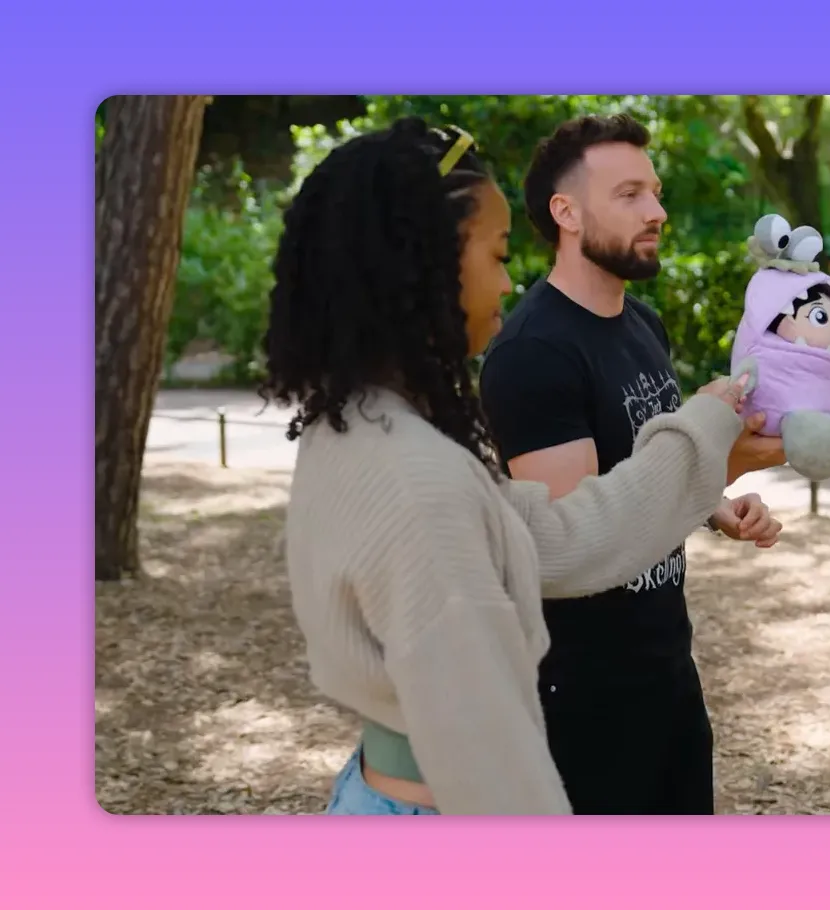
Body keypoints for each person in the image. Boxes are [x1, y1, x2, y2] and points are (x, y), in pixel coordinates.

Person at [262, 116, 755, 816]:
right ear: (428, 263)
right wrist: (709, 434)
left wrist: (709, 436)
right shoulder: (416, 475)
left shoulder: (365, 425)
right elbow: (494, 766)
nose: (507, 279)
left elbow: (560, 539)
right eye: (495, 255)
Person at [477, 114, 787, 815]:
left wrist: (716, 503)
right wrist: (719, 457)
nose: (658, 211)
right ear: (567, 213)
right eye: (629, 195)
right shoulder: (535, 353)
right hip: (582, 699)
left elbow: (647, 467)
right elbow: (580, 541)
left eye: (655, 191)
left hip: (666, 671)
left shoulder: (643, 325)